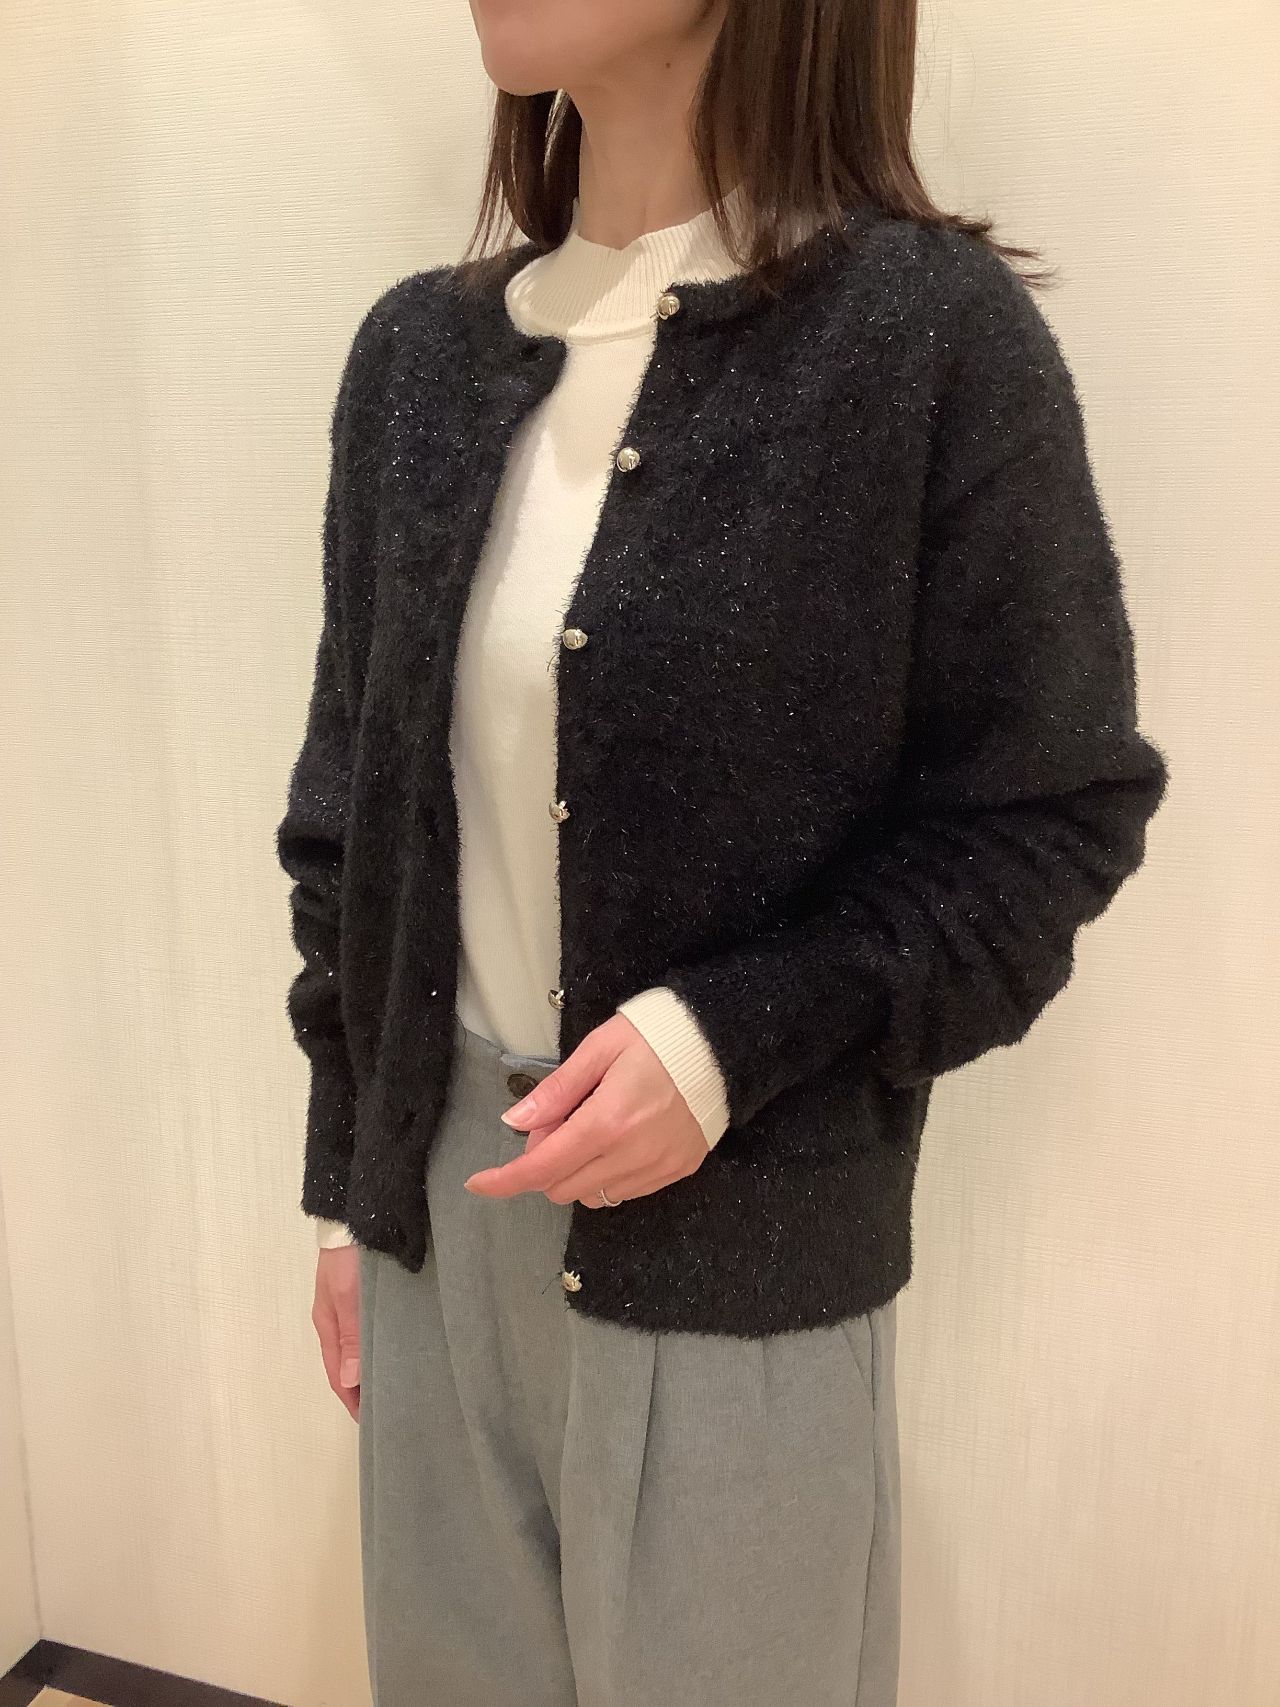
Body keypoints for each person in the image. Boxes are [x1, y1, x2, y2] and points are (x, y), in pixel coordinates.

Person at [274, 2, 1169, 1702]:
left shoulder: (923, 341)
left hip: (743, 1252)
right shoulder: (416, 360)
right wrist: (343, 1188)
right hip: (432, 1235)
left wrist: (728, 1042)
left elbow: (1048, 815)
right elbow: (349, 828)